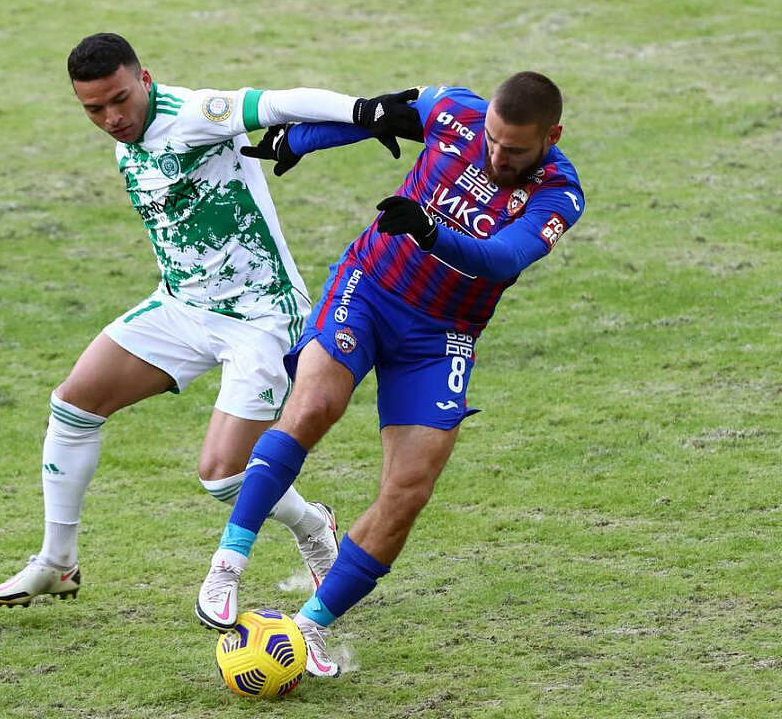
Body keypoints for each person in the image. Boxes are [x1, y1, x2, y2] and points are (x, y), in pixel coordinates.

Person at [0, 33, 409, 607]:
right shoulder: (127, 135)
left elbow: (279, 103)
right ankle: (57, 562)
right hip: (183, 306)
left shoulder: (194, 113)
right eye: (94, 109)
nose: (112, 118)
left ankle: (312, 526)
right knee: (74, 405)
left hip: (260, 316)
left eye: (119, 100)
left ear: (145, 79)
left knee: (222, 476)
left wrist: (363, 111)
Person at [194, 73, 584, 677]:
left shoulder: (560, 192)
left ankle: (306, 630)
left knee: (409, 490)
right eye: (493, 141)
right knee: (315, 405)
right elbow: (377, 115)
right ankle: (228, 563)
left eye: (516, 150)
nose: (498, 156)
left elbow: (504, 258)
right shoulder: (455, 111)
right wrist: (299, 141)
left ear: (551, 137)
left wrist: (431, 232)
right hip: (370, 288)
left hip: (441, 336)